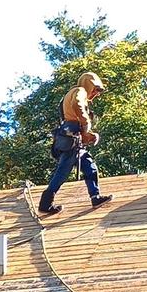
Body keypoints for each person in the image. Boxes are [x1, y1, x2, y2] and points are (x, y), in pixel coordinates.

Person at [38, 72, 113, 215]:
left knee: (90, 166)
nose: (96, 94)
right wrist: (86, 124)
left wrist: (89, 135)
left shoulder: (77, 93)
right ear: (89, 84)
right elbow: (76, 105)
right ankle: (45, 204)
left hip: (74, 137)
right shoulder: (80, 91)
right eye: (96, 89)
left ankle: (95, 197)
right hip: (71, 138)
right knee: (62, 172)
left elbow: (75, 121)